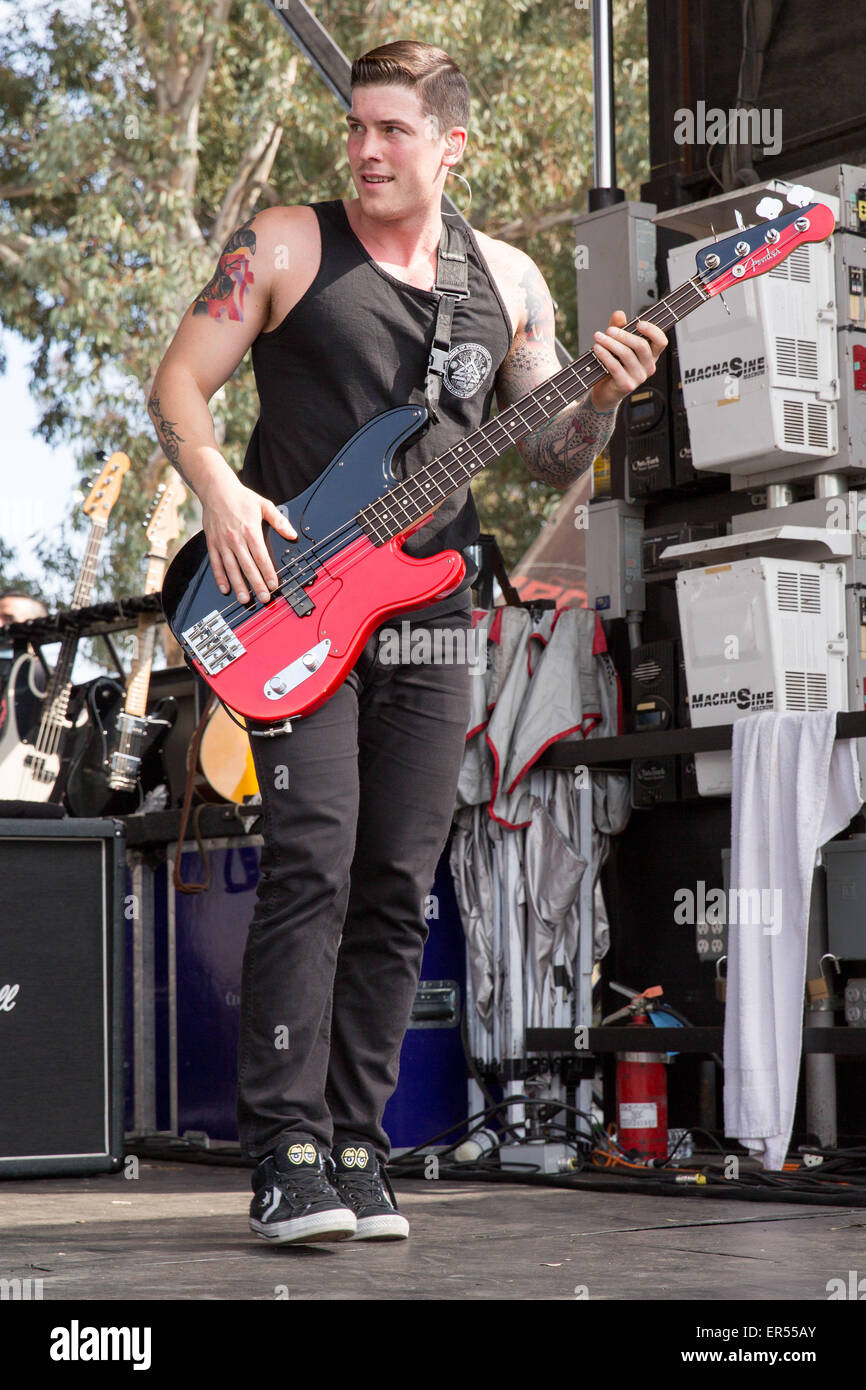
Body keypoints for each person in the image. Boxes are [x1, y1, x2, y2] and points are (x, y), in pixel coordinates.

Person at [147, 39, 668, 1246]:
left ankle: (358, 1148)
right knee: (313, 860)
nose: (366, 150)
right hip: (292, 607)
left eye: (392, 131)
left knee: (396, 882)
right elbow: (178, 386)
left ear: (451, 146)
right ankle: (282, 1152)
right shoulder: (282, 244)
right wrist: (219, 485)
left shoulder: (508, 281)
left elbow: (544, 458)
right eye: (356, 129)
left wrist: (598, 395)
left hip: (432, 613)